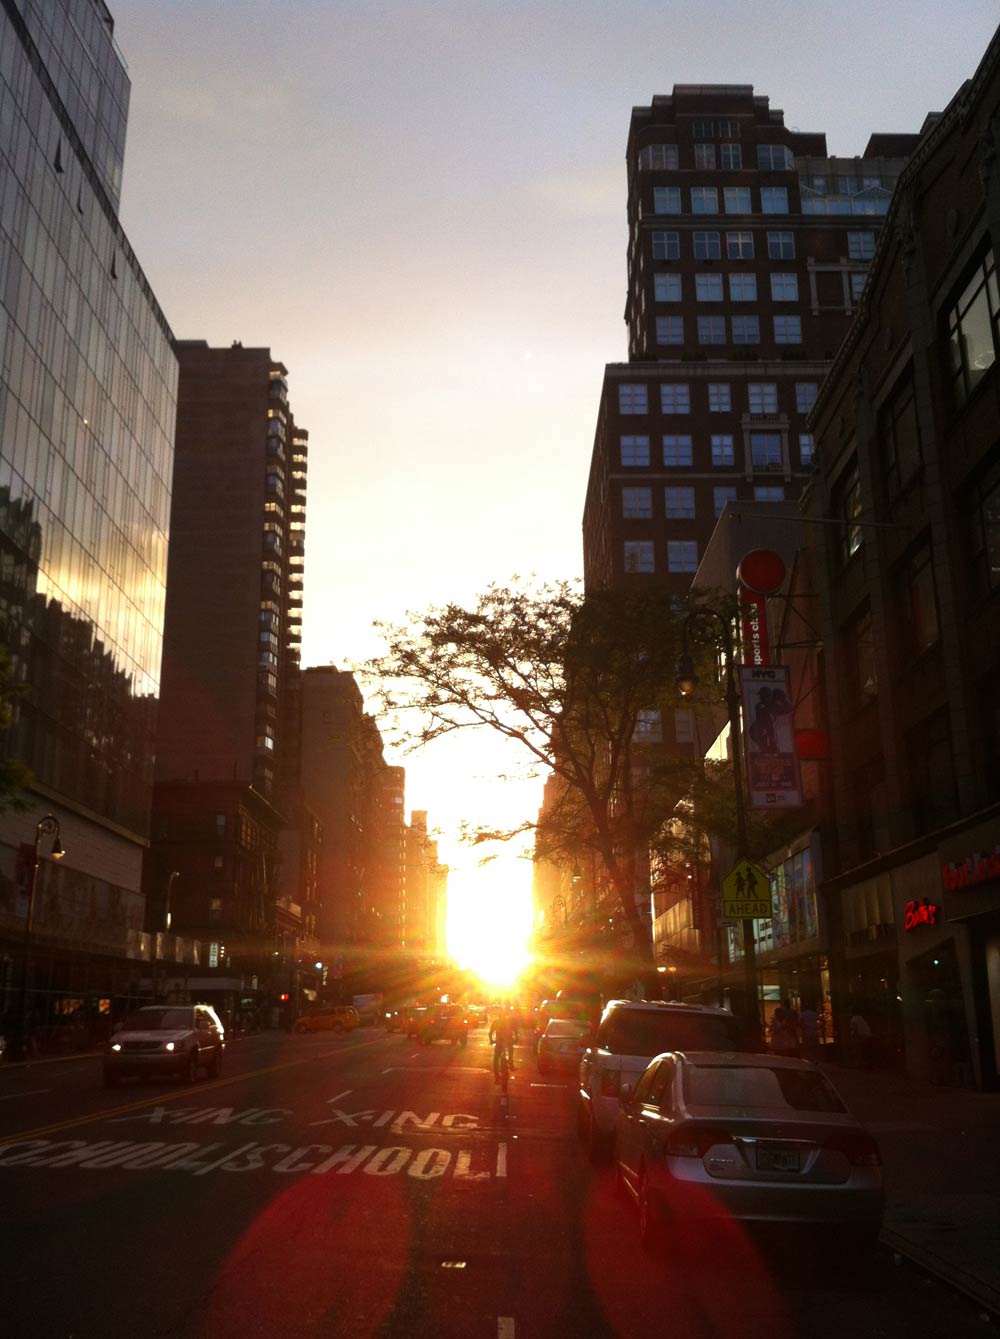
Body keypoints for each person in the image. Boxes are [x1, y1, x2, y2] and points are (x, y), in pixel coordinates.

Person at [489, 1005, 518, 1083]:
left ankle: (497, 1076)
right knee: (510, 1050)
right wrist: (516, 1038)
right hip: (507, 1041)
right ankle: (511, 1064)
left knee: (496, 1059)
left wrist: (491, 1040)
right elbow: (515, 1031)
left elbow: (491, 1033)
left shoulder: (496, 1022)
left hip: (500, 1042)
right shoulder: (509, 1022)